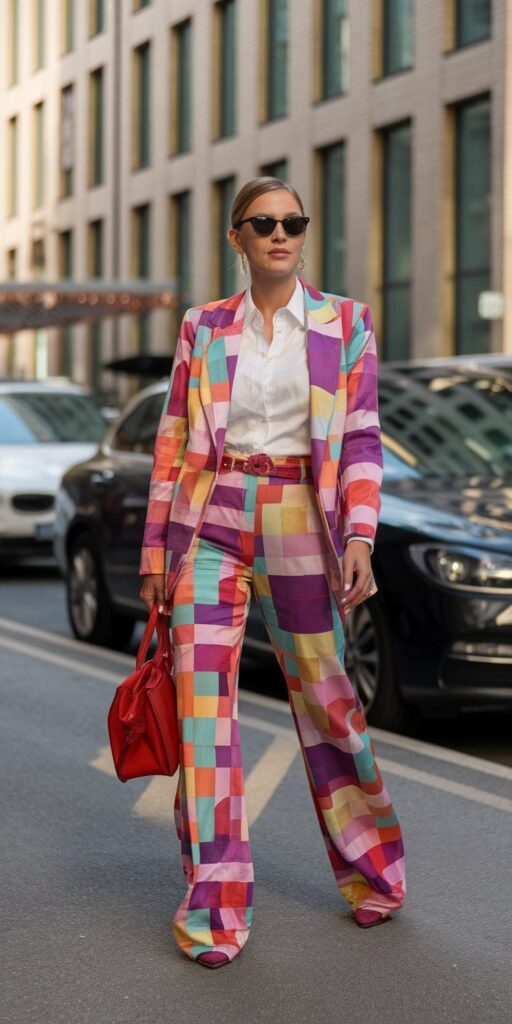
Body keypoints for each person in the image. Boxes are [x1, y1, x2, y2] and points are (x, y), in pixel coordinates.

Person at [139, 176, 406, 969]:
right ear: (239, 239)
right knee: (202, 716)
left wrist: (360, 533)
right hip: (212, 520)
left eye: (293, 222)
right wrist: (158, 551)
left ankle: (373, 871)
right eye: (264, 223)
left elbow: (360, 438)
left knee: (328, 701)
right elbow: (173, 439)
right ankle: (214, 910)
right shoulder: (204, 328)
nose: (281, 234)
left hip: (299, 516)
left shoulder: (344, 324)